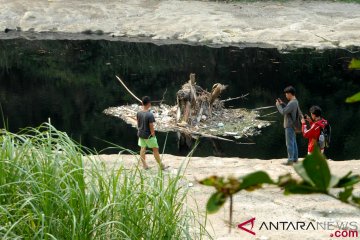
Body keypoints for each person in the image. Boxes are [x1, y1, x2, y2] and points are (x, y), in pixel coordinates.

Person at [137, 96, 166, 170]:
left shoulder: (138, 113)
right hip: (148, 135)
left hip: (140, 134)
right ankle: (161, 165)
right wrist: (153, 135)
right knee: (155, 149)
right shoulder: (150, 115)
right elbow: (151, 127)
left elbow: (138, 124)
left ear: (142, 103)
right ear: (149, 104)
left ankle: (144, 165)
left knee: (142, 149)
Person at [276, 86, 301, 165]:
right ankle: (295, 159)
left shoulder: (292, 102)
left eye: (286, 94)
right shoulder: (295, 101)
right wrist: (283, 103)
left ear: (290, 94)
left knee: (289, 143)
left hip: (289, 125)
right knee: (293, 142)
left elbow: (283, 112)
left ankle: (290, 160)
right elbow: (289, 109)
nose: (286, 95)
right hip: (293, 125)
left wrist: (278, 105)